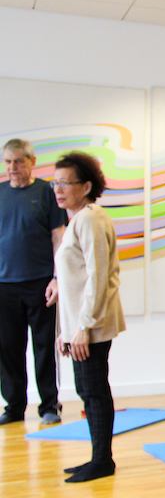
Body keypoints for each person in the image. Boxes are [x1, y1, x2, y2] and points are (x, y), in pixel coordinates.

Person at [52, 151, 126, 483]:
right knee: (87, 389)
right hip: (80, 325)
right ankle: (97, 457)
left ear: (85, 186)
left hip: (91, 325)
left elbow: (99, 276)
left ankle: (103, 460)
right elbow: (74, 278)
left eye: (65, 183)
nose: (58, 189)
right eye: (55, 183)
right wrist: (66, 329)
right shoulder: (76, 220)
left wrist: (83, 327)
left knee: (94, 390)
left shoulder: (91, 219)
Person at [0, 139, 64, 426]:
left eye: (18, 161)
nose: (13, 168)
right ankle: (14, 407)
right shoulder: (0, 193)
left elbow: (58, 237)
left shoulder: (46, 193)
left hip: (40, 283)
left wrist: (56, 277)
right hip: (4, 284)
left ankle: (49, 405)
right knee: (8, 348)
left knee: (42, 348)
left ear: (31, 161)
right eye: (8, 162)